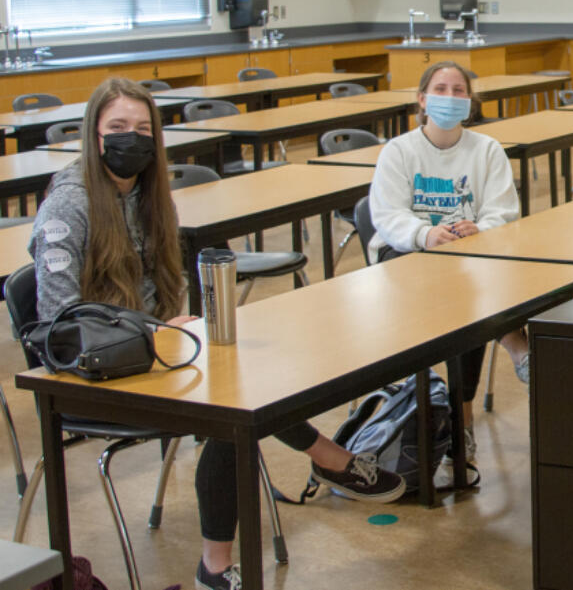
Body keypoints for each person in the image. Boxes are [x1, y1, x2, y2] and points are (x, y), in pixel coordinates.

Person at [28, 77, 406, 590]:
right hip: (87, 372)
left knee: (250, 370)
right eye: (117, 128)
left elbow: (160, 285)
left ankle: (308, 475)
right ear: (93, 135)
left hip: (148, 354)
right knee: (233, 406)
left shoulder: (147, 194)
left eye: (143, 129)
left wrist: (160, 333)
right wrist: (151, 331)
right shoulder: (69, 203)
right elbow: (59, 319)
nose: (131, 138)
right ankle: (315, 470)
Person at [367, 61, 529, 467]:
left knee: (471, 281)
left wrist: (481, 228)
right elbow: (387, 216)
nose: (451, 97)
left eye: (460, 90)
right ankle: (514, 347)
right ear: (422, 100)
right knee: (466, 287)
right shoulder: (400, 151)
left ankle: (464, 416)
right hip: (406, 253)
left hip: (469, 253)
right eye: (441, 89)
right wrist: (426, 235)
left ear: (470, 102)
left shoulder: (486, 150)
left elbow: (504, 211)